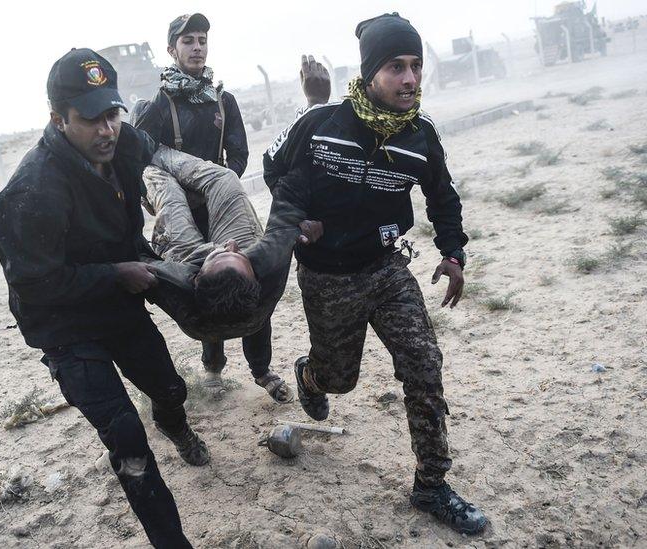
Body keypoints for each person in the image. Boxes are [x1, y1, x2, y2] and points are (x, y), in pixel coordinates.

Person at [262, 14, 488, 535]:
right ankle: (310, 374)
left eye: (416, 66)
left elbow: (443, 197)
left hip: (388, 269)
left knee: (424, 365)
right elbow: (275, 170)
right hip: (327, 278)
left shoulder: (420, 135)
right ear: (369, 74)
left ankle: (432, 484)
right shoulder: (320, 123)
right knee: (340, 380)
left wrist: (453, 253)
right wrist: (299, 221)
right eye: (395, 67)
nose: (410, 79)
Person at [0, 48, 203, 548]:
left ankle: (178, 428)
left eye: (112, 114)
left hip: (118, 307)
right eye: (91, 119)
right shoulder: (31, 190)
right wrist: (116, 273)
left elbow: (162, 168)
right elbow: (34, 285)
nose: (107, 129)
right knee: (127, 438)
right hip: (65, 329)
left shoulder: (121, 144)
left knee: (170, 389)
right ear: (58, 119)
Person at [139, 147, 322, 403]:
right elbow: (286, 216)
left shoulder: (175, 282)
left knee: (168, 192)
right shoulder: (268, 264)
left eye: (227, 251)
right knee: (224, 179)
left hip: (189, 260)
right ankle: (236, 370)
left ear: (195, 279)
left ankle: (148, 152)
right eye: (231, 251)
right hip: (232, 271)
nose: (229, 243)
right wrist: (306, 223)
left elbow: (138, 259)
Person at [135, 12, 256, 398]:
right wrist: (173, 197)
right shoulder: (157, 105)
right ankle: (213, 369)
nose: (197, 47)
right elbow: (142, 159)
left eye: (202, 39)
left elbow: (238, 155)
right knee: (202, 289)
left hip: (215, 209)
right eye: (188, 41)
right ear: (172, 50)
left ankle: (261, 368)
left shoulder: (223, 100)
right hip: (181, 214)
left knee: (244, 279)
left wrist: (215, 185)